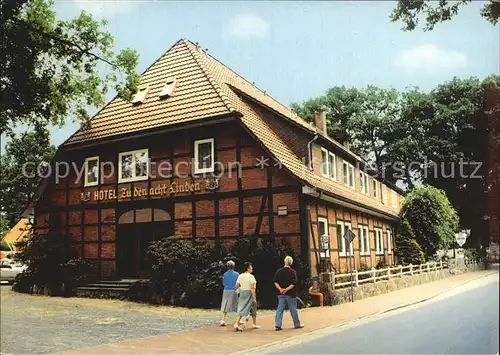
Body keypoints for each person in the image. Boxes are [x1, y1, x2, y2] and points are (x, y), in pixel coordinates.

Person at [273, 256, 304, 331]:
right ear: (291, 263)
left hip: (281, 294)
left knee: (280, 309)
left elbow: (275, 281)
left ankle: (278, 324)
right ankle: (297, 324)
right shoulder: (292, 272)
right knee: (293, 309)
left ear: (284, 261)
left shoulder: (279, 271)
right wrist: (286, 289)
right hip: (291, 294)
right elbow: (293, 284)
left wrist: (280, 289)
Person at [234, 262, 260, 331]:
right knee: (253, 307)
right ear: (248, 268)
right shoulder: (251, 277)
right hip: (249, 293)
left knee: (241, 307)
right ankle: (253, 324)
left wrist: (241, 288)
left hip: (242, 292)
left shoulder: (240, 276)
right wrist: (254, 298)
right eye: (251, 267)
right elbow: (252, 288)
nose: (252, 268)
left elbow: (237, 285)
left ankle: (237, 323)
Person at [220, 260, 239, 326]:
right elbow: (238, 283)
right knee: (237, 305)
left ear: (227, 266)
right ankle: (238, 320)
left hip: (226, 290)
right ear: (234, 266)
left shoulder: (225, 274)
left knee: (225, 304)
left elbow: (223, 283)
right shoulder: (237, 274)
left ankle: (222, 320)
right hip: (234, 290)